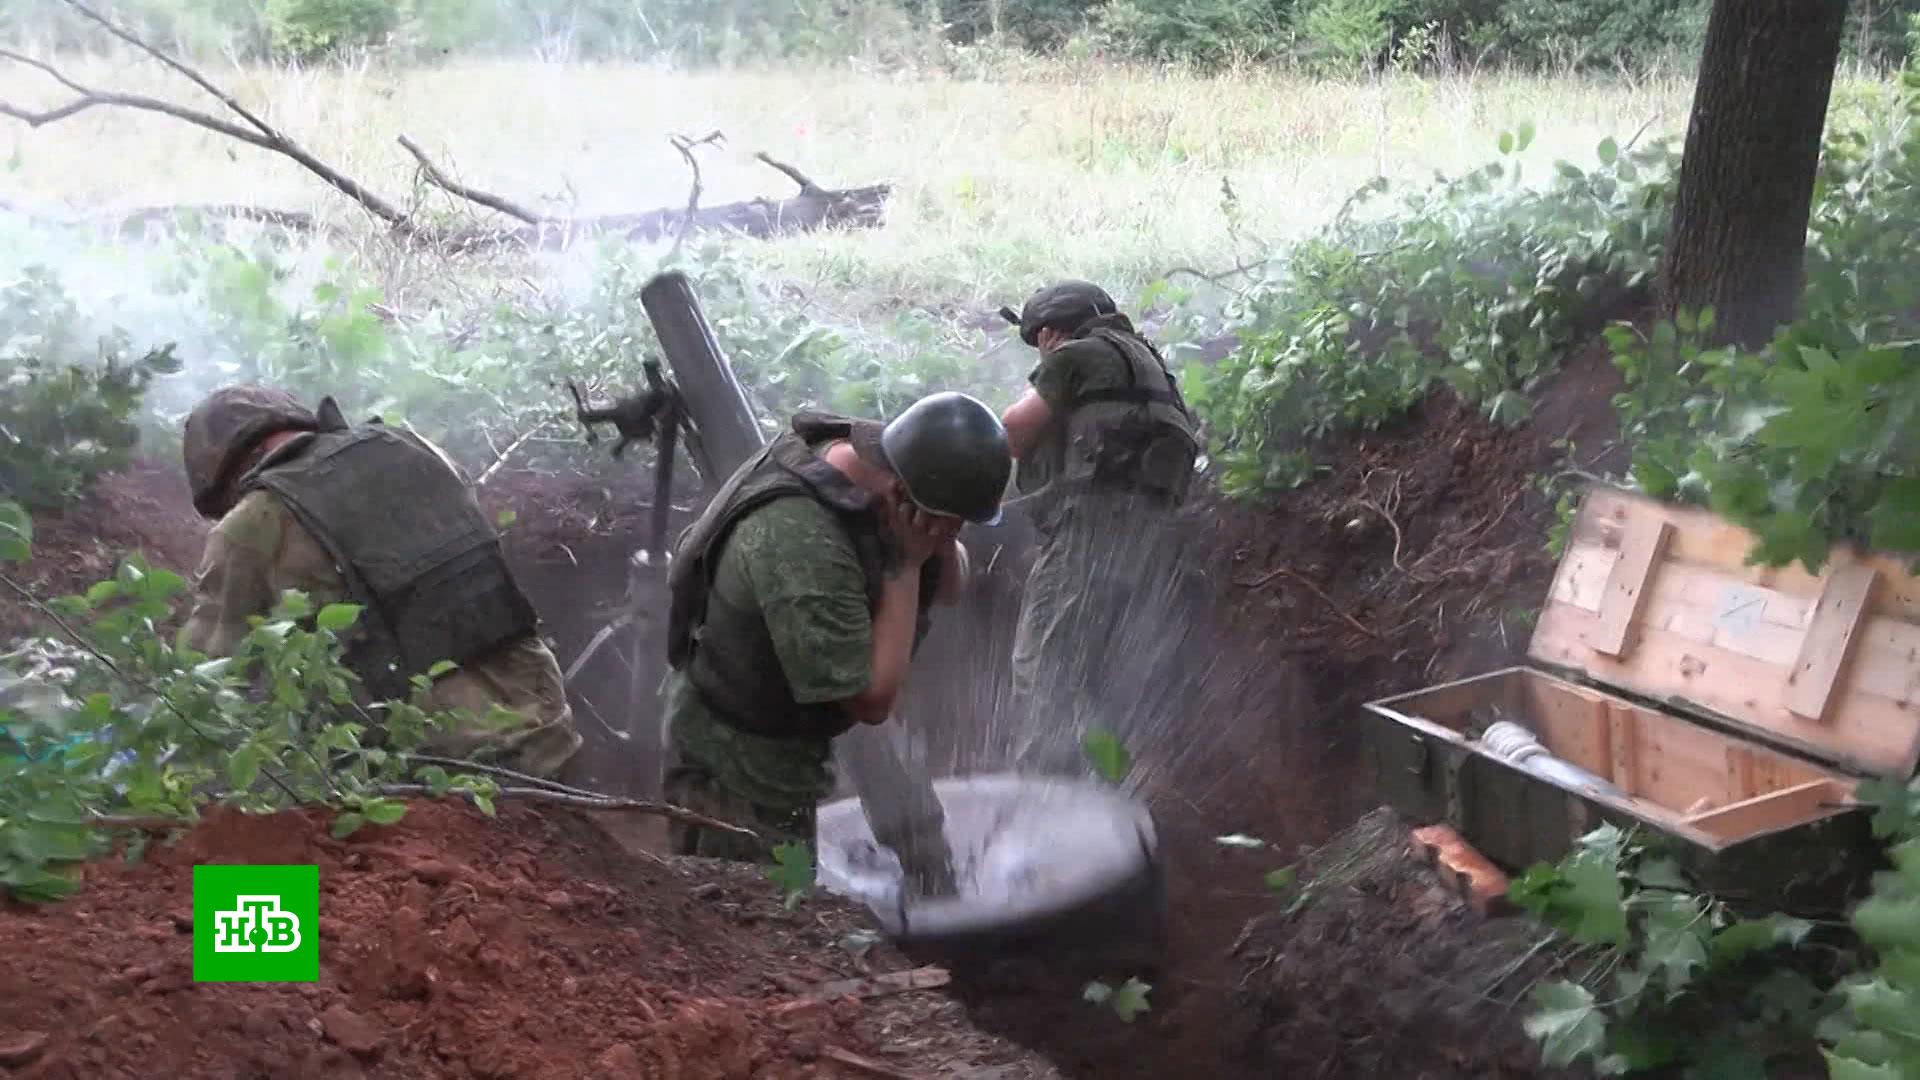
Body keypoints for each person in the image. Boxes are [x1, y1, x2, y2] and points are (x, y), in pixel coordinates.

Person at [660, 392, 1011, 865]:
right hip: (734, 762)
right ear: (905, 496)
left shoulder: (887, 466)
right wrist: (906, 567)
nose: (951, 531)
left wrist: (938, 541)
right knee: (758, 910)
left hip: (794, 724)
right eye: (950, 521)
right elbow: (871, 700)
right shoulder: (800, 540)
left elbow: (949, 589)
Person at [179, 385, 581, 779]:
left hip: (436, 775)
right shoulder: (414, 447)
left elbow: (207, 683)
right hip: (548, 732)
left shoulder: (250, 523)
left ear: (226, 474)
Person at [995, 281, 1203, 772]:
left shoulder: (1074, 357)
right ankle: (1106, 794)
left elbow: (1012, 432)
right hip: (1151, 545)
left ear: (1049, 331)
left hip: (1089, 535)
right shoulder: (1151, 366)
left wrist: (1045, 369)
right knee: (1101, 678)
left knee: (1043, 670)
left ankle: (1044, 802)